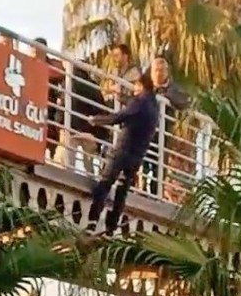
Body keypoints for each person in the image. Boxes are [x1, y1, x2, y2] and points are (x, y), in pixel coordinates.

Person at [86, 73, 159, 236]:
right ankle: (111, 228)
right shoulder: (154, 107)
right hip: (137, 155)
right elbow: (134, 108)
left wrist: (96, 120)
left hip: (123, 150)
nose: (134, 89)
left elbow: (119, 117)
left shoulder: (140, 102)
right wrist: (121, 96)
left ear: (141, 85)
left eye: (136, 86)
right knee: (122, 190)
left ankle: (92, 222)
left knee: (105, 183)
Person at [141, 56, 190, 196]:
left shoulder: (173, 89)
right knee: (142, 164)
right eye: (156, 70)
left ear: (167, 72)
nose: (158, 73)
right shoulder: (145, 87)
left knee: (158, 167)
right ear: (151, 72)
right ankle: (141, 191)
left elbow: (183, 102)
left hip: (162, 133)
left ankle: (155, 194)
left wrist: (164, 97)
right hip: (143, 131)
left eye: (161, 70)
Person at [53, 65, 109, 173]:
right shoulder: (93, 86)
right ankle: (91, 178)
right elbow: (102, 111)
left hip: (71, 128)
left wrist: (59, 126)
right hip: (89, 131)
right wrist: (98, 136)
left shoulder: (68, 81)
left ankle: (64, 175)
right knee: (88, 165)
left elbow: (62, 105)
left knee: (64, 161)